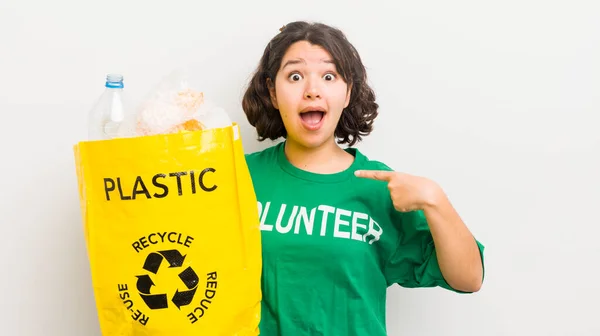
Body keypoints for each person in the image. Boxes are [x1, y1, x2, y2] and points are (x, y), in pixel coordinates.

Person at [241, 21, 485, 336]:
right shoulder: (239, 176)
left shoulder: (382, 188)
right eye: (295, 76)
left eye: (329, 77)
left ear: (348, 93)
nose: (312, 89)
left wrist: (435, 199)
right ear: (273, 93)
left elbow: (469, 278)